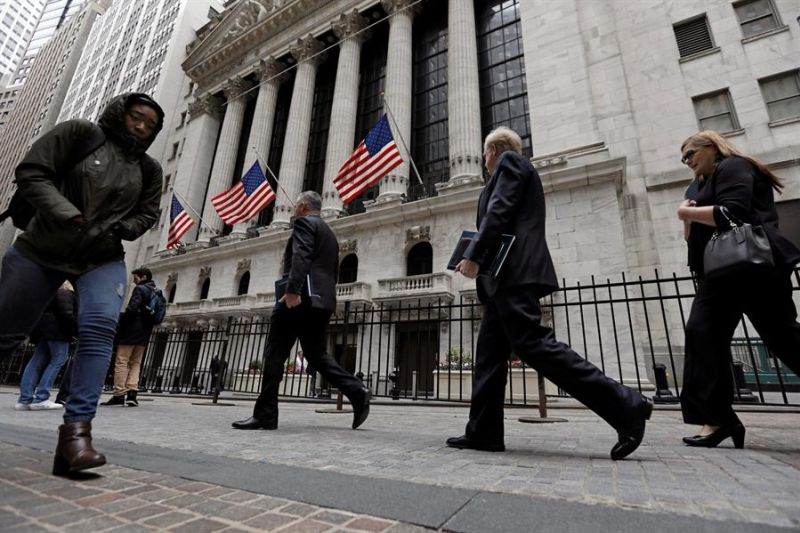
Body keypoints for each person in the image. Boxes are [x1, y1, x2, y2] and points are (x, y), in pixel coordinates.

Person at [448, 127, 652, 460]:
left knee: (534, 345)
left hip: (514, 274)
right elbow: (500, 213)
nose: (485, 160)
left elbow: (499, 210)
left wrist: (473, 254)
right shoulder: (504, 172)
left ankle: (626, 404)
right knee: (488, 358)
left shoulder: (511, 162)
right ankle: (483, 432)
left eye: (486, 154)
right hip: (500, 280)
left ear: (494, 149)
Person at [0, 92, 164, 475]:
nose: (142, 127)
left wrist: (126, 228)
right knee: (6, 332)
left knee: (100, 328)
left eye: (151, 125)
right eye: (136, 117)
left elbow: (148, 212)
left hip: (101, 257)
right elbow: (31, 171)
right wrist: (67, 213)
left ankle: (76, 436)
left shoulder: (149, 169)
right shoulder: (80, 133)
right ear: (121, 113)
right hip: (41, 247)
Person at [677, 131, 800, 448]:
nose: (687, 161)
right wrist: (688, 219)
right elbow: (693, 237)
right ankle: (718, 419)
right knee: (701, 334)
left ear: (712, 147)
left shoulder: (733, 167)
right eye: (683, 157)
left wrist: (687, 212)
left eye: (690, 153)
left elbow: (733, 213)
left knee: (782, 337)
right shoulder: (696, 185)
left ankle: (717, 419)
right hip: (717, 273)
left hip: (753, 268)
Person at [232, 191, 370, 431]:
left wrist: (293, 290)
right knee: (317, 356)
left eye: (296, 205)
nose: (294, 209)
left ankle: (265, 414)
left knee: (274, 354)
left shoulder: (304, 224)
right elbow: (332, 271)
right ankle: (357, 391)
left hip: (299, 299)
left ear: (304, 207)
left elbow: (301, 255)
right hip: (321, 301)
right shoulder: (329, 233)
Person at [14, 282, 77, 411]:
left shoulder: (48, 292)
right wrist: (74, 331)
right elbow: (66, 315)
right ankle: (41, 397)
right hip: (58, 332)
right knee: (58, 360)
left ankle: (24, 399)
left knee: (35, 362)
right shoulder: (65, 292)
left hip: (43, 331)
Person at [101, 267, 157, 407]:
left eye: (136, 277)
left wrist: (121, 324)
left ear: (143, 277)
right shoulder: (155, 290)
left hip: (131, 330)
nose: (134, 280)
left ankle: (119, 394)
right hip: (145, 332)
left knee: (121, 361)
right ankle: (132, 394)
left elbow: (132, 308)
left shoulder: (140, 289)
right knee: (136, 363)